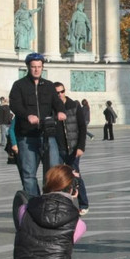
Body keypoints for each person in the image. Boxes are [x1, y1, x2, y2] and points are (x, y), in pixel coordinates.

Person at [9, 53, 66, 196]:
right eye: (33, 67)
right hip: (27, 135)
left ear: (42, 67)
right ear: (28, 67)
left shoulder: (48, 86)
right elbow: (14, 105)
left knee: (53, 171)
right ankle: (34, 203)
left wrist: (60, 111)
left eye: (39, 67)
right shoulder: (19, 85)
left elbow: (57, 102)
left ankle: (51, 200)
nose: (36, 70)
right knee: (28, 173)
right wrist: (27, 115)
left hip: (47, 134)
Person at [53, 83, 90, 215]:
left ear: (64, 91)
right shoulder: (52, 107)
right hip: (57, 148)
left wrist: (81, 147)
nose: (59, 95)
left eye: (61, 92)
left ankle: (84, 203)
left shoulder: (74, 105)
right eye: (56, 93)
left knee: (75, 176)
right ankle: (61, 205)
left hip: (73, 148)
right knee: (58, 178)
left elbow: (82, 126)